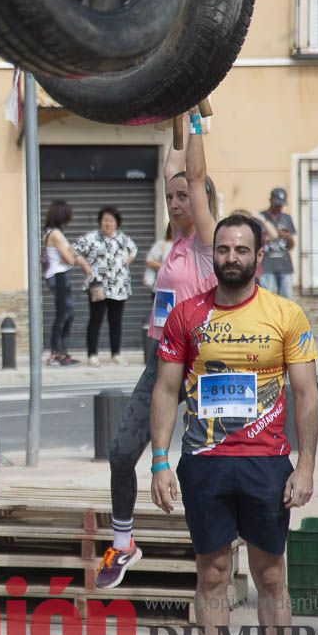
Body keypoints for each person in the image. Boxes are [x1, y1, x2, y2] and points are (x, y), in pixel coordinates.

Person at [151, 213, 318, 635]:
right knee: (212, 574)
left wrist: (304, 467)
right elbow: (165, 390)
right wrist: (159, 462)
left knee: (270, 575)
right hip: (204, 463)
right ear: (214, 255)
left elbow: (306, 394)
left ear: (258, 256)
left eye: (241, 250)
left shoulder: (286, 315)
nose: (231, 258)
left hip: (266, 464)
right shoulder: (187, 315)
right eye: (223, 250)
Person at [99, 113, 219, 589]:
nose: (174, 203)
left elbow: (191, 170)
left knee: (204, 468)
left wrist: (194, 119)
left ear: (203, 199)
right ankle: (124, 543)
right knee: (119, 451)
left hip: (203, 363)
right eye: (168, 198)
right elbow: (174, 164)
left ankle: (213, 554)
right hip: (161, 360)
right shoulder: (170, 246)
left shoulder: (208, 242)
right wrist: (175, 110)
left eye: (183, 197)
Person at [73, 206, 139, 366]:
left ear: (116, 223)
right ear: (100, 222)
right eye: (105, 220)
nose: (108, 224)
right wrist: (85, 266)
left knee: (116, 321)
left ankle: (115, 353)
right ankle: (92, 354)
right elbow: (74, 250)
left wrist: (125, 263)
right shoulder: (92, 238)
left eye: (111, 221)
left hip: (119, 286)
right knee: (96, 319)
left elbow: (134, 250)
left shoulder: (123, 238)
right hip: (98, 285)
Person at [43, 199, 91, 367]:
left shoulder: (55, 232)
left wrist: (71, 256)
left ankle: (61, 352)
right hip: (58, 277)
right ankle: (56, 354)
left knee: (68, 314)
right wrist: (71, 257)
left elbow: (71, 254)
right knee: (63, 315)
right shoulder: (55, 234)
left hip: (60, 275)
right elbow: (71, 258)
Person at [260, 187, 296, 299]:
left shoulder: (287, 218)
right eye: (277, 204)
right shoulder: (261, 218)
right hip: (266, 266)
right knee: (268, 300)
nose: (279, 207)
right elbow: (255, 240)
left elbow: (291, 246)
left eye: (281, 205)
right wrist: (272, 235)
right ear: (270, 200)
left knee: (287, 301)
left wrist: (288, 237)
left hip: (284, 266)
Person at [143, 223, 174, 299]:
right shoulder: (163, 244)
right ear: (170, 230)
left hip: (183, 291)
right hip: (163, 290)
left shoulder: (190, 245)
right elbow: (149, 261)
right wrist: (168, 267)